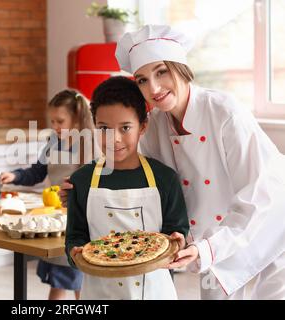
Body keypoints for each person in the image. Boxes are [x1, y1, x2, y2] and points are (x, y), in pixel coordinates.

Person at [113, 24, 285, 299]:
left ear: (180, 67)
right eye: (142, 79)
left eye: (161, 71)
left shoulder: (225, 112)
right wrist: (85, 189)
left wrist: (207, 248)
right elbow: (146, 183)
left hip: (273, 219)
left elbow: (256, 197)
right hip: (217, 232)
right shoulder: (156, 124)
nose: (154, 88)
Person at [65, 76, 189, 300]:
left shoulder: (165, 178)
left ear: (143, 126)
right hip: (99, 293)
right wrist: (74, 253)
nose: (114, 139)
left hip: (154, 291)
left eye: (125, 128)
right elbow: (75, 237)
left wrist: (179, 239)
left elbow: (177, 229)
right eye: (104, 128)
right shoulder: (81, 180)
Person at [0, 89, 93, 300]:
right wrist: (14, 176)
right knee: (58, 280)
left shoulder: (91, 144)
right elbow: (37, 171)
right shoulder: (54, 141)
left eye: (60, 121)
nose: (55, 127)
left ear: (77, 119)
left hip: (81, 223)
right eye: (52, 121)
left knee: (82, 284)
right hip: (56, 219)